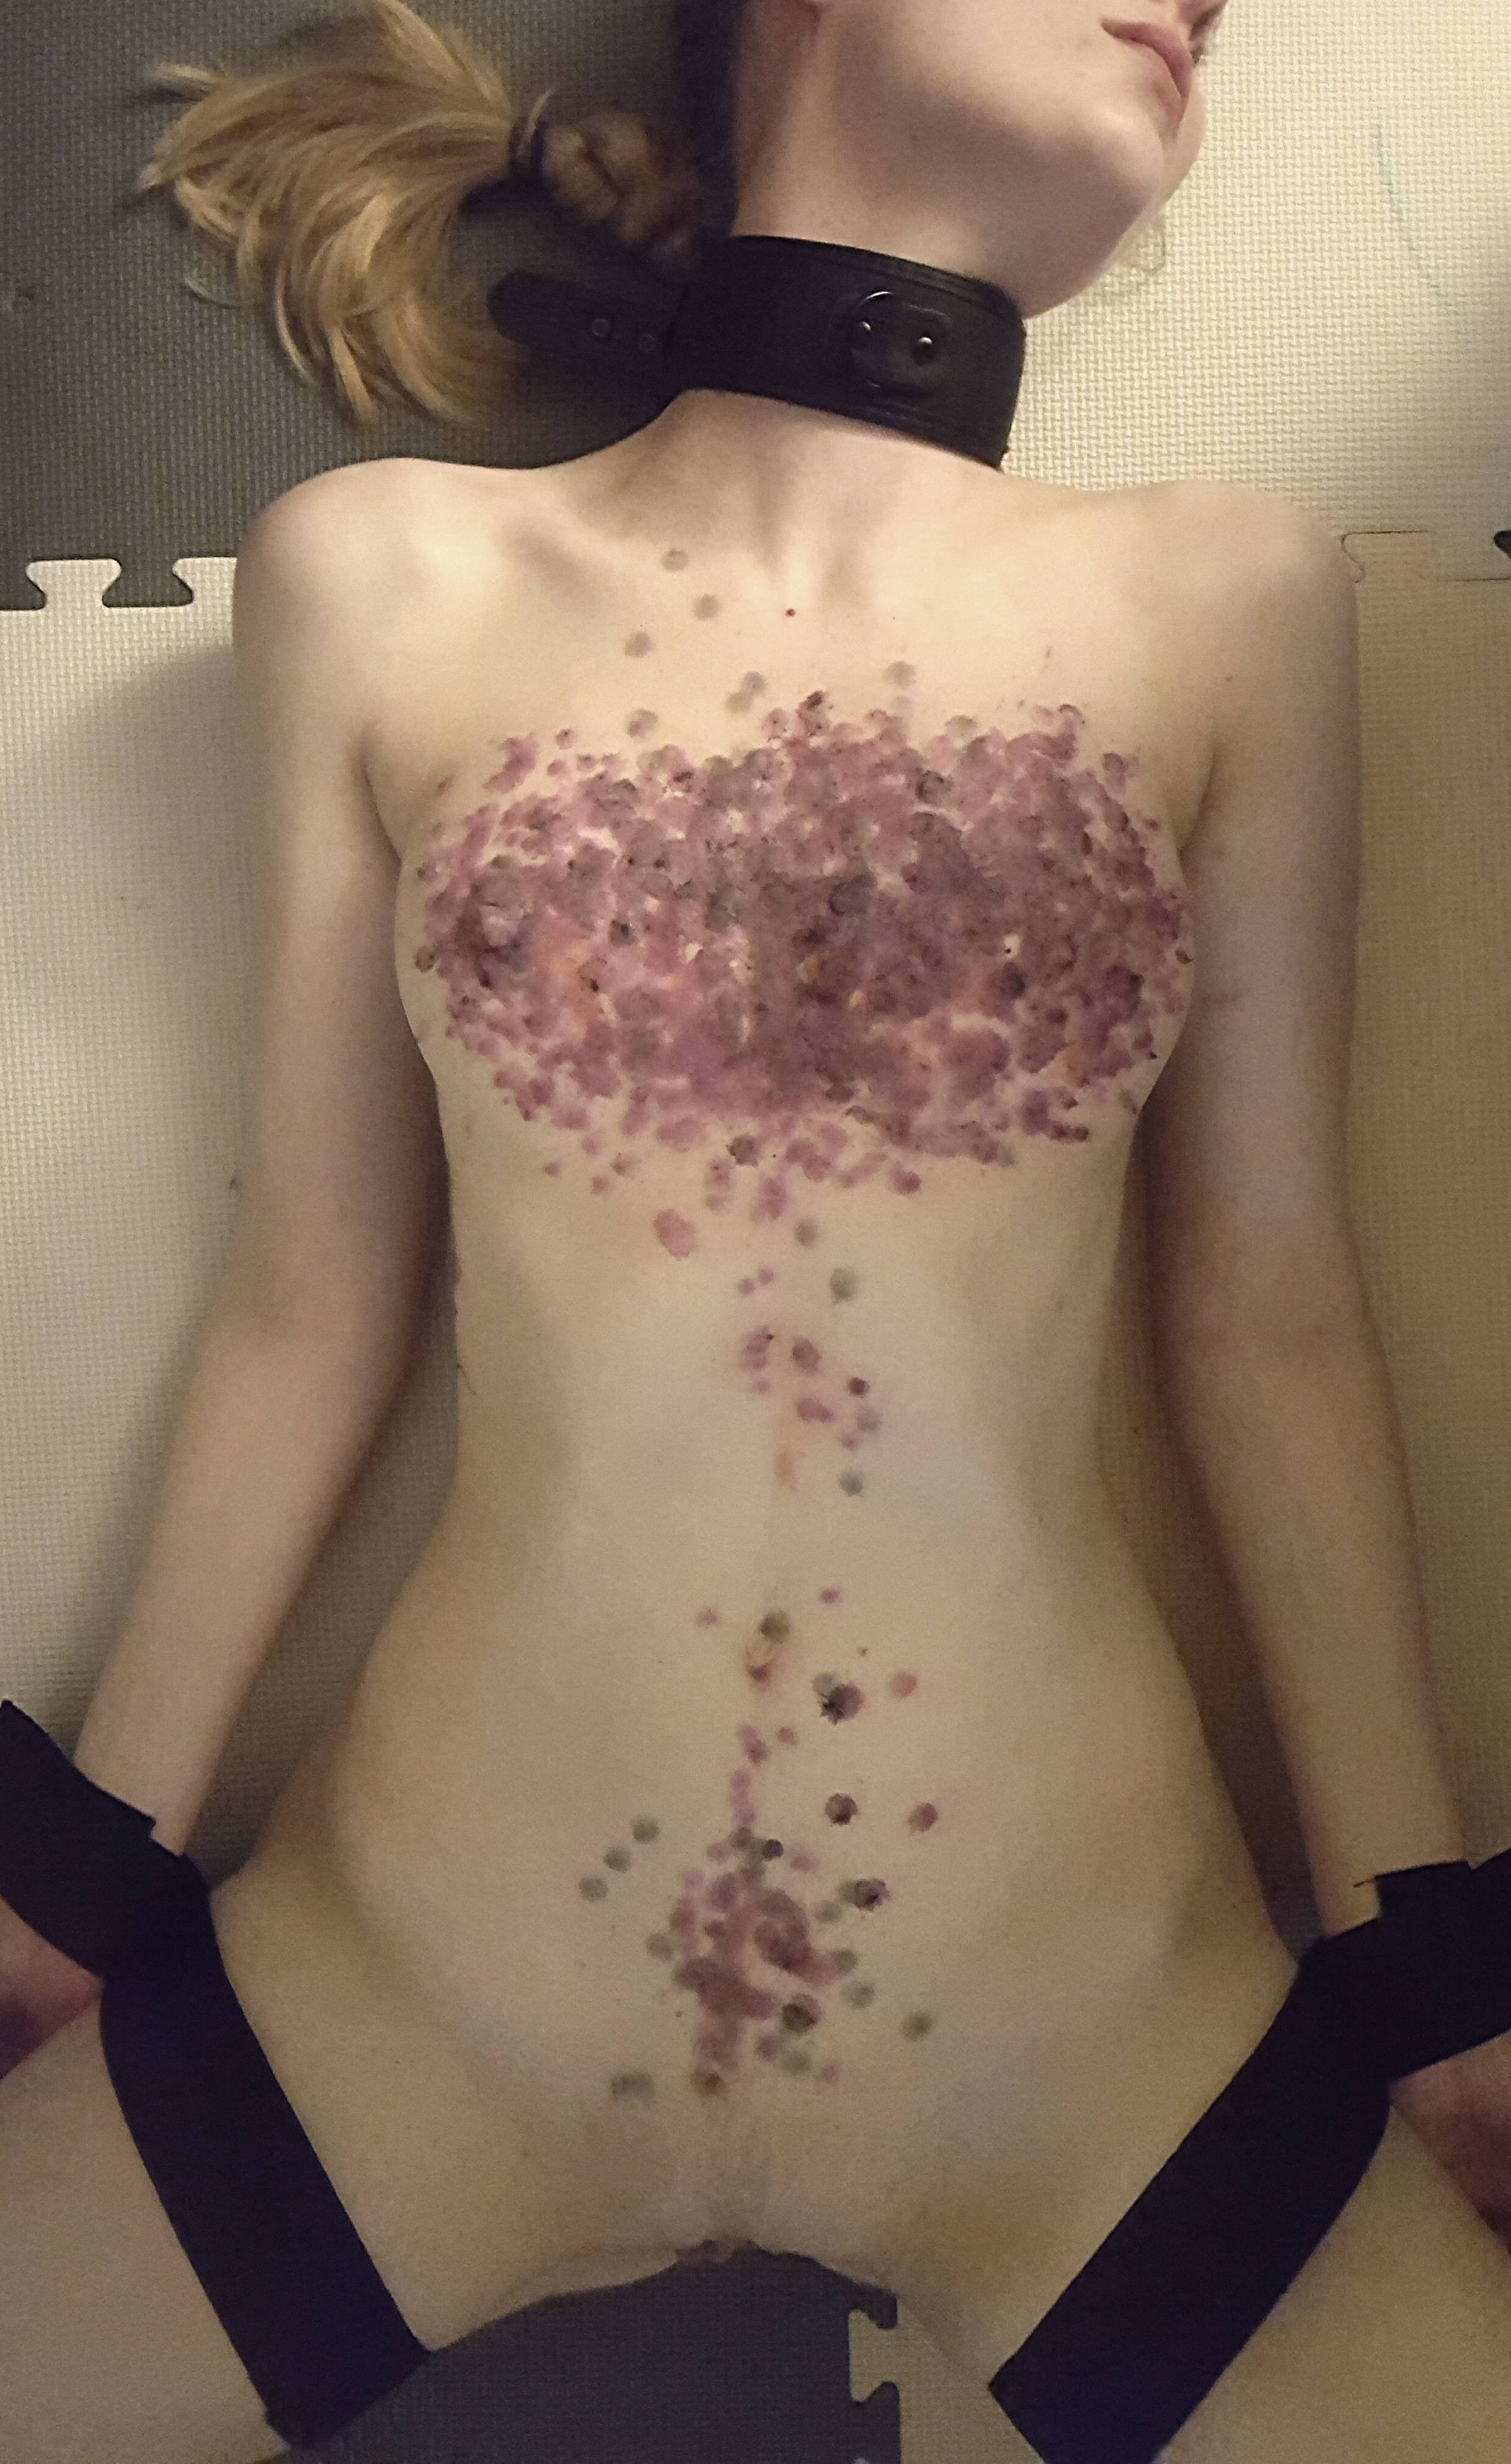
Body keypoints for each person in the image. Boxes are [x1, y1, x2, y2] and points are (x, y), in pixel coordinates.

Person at [4, 4, 1511, 2460]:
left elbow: (1266, 1311)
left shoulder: (1229, 591)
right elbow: (315, 1293)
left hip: (1089, 2032)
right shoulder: (380, 578)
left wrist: (1423, 1944)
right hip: (419, 1995)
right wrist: (86, 1857)